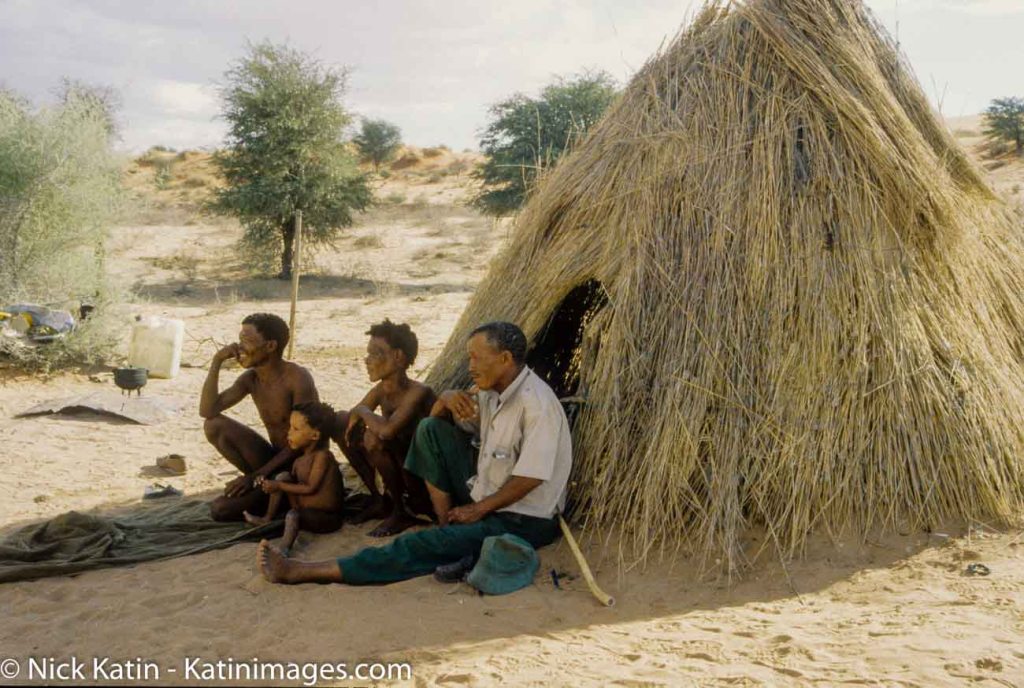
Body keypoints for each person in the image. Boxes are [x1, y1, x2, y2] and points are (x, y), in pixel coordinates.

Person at [256, 321, 572, 586]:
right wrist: (445, 399)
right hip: (488, 495)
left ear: (504, 359)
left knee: (420, 545)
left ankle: (303, 571)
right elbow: (437, 426)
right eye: (469, 358)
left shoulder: (537, 405)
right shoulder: (490, 393)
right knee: (430, 430)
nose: (470, 366)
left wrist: (479, 510)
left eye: (476, 358)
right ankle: (450, 530)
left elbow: (531, 476)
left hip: (524, 518)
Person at [200, 313, 319, 521]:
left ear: (271, 346)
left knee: (220, 510)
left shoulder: (297, 378)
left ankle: (280, 495)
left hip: (299, 469)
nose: (239, 348)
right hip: (273, 461)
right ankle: (265, 489)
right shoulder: (251, 379)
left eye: (247, 341)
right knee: (214, 425)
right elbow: (207, 410)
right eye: (240, 339)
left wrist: (254, 477)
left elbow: (303, 442)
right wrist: (216, 361)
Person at [333, 320, 436, 537]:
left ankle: (401, 511)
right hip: (401, 467)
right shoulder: (381, 390)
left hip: (424, 480)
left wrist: (363, 411)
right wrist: (359, 413)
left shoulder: (418, 392)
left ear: (398, 357)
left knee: (375, 439)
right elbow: (352, 416)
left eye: (375, 354)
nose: (367, 360)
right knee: (340, 421)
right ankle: (379, 499)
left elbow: (387, 431)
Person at [244, 402, 347, 554]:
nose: (289, 433)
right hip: (303, 507)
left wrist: (279, 486)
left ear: (315, 435)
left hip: (327, 518)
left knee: (293, 515)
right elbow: (293, 484)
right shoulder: (299, 460)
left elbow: (311, 487)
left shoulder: (323, 457)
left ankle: (284, 548)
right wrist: (271, 484)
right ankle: (267, 518)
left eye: (296, 429)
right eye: (290, 427)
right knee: (283, 477)